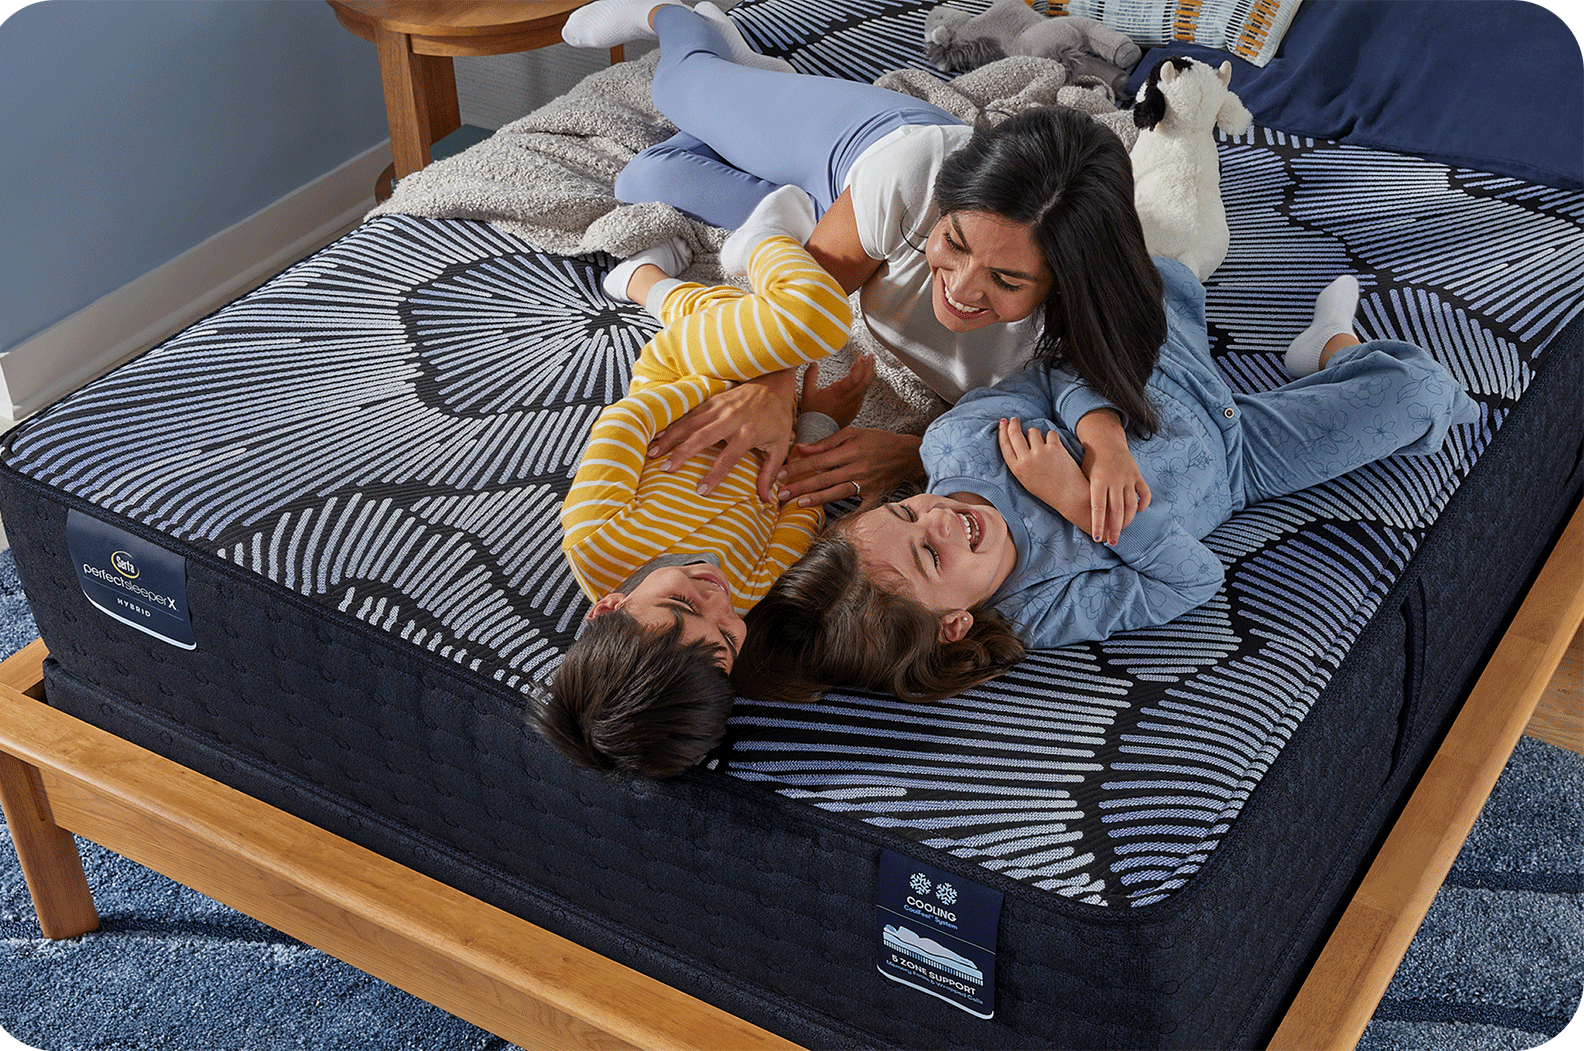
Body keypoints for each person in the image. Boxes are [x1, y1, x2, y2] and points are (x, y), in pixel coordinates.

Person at [731, 261, 1480, 705]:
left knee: (1151, 273)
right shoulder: (1041, 607)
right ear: (954, 622)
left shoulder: (957, 439)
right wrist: (1077, 502)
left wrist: (1102, 437)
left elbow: (1060, 369)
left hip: (1151, 378)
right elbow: (1191, 580)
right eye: (930, 556)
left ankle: (1309, 344)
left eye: (907, 509)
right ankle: (1333, 346)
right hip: (1242, 461)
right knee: (1419, 399)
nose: (938, 516)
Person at [563, 0, 1165, 545]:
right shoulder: (914, 175)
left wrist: (912, 454)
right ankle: (682, 18)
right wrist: (772, 388)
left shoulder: (1082, 325)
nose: (959, 288)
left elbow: (1080, 408)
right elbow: (796, 305)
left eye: (1007, 283)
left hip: (857, 213)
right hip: (862, 148)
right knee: (679, 88)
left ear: (1065, 285)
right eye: (952, 243)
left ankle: (792, 187)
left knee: (648, 178)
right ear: (944, 208)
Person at [528, 193, 871, 778]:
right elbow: (795, 503)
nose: (716, 600)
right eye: (727, 640)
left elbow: (625, 421)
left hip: (685, 376)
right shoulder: (747, 588)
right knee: (738, 317)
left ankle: (757, 240)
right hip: (772, 415)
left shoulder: (596, 541)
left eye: (683, 603)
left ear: (607, 609)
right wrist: (812, 422)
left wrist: (722, 395)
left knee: (816, 317)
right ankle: (645, 281)